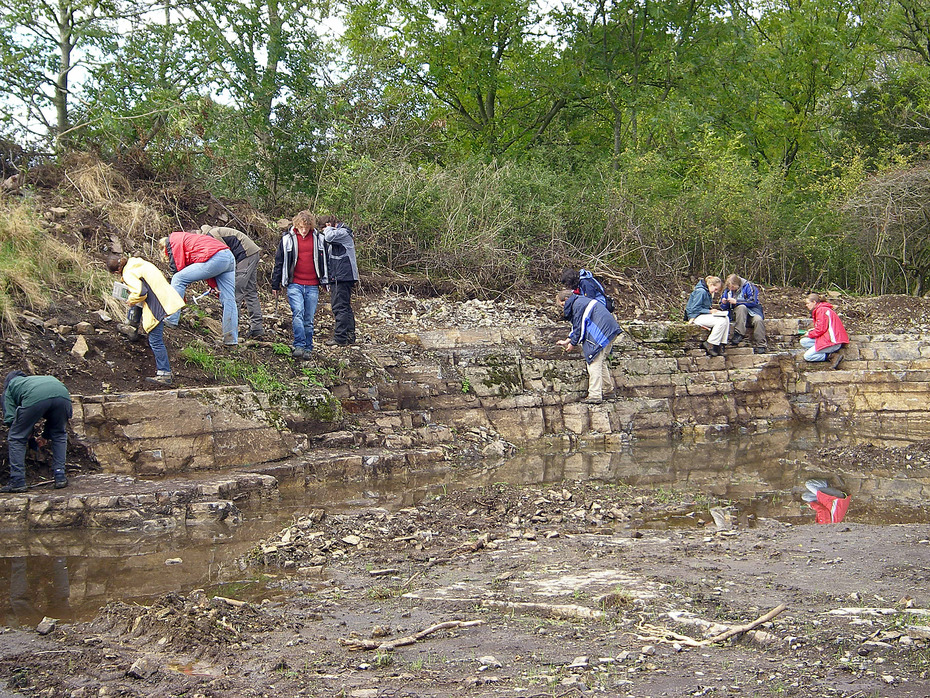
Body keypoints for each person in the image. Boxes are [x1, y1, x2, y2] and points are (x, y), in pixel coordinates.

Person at [107, 254, 186, 385]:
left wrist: (131, 300)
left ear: (117, 271)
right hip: (165, 298)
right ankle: (131, 326)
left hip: (157, 305)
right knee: (137, 304)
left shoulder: (128, 273)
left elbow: (141, 292)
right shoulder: (137, 262)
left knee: (155, 340)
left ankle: (164, 374)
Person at [160, 231, 239, 347]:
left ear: (164, 248)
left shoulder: (173, 241)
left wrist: (180, 298)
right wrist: (213, 285)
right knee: (229, 300)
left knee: (178, 278)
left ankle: (172, 319)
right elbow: (204, 261)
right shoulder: (187, 239)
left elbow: (177, 268)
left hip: (216, 257)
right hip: (228, 257)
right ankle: (231, 339)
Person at [2, 372, 71, 492]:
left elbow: (10, 418)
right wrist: (45, 436)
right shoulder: (33, 380)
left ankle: (18, 481)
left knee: (16, 437)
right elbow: (53, 411)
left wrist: (26, 434)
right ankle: (60, 476)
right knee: (59, 434)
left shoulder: (10, 387)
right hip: (62, 394)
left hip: (35, 397)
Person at [271, 210, 322, 359]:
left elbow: (325, 261)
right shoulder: (287, 239)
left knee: (309, 318)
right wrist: (276, 284)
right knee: (298, 313)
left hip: (313, 284)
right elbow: (279, 262)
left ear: (310, 226)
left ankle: (308, 347)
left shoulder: (318, 238)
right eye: (301, 227)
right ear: (296, 226)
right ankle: (299, 344)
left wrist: (326, 280)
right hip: (295, 283)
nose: (304, 230)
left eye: (306, 227)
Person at [555, 289, 621, 404]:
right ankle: (608, 390)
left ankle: (595, 395)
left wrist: (572, 344)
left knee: (593, 362)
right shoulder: (580, 301)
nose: (562, 308)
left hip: (601, 332)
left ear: (566, 299)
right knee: (600, 361)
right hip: (611, 330)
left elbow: (580, 327)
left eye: (562, 305)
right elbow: (577, 326)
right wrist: (568, 340)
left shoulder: (577, 305)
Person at [202, 224, 265, 339]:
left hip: (245, 255)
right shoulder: (216, 232)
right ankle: (257, 328)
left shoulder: (212, 235)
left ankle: (231, 331)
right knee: (250, 291)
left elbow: (225, 256)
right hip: (252, 253)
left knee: (235, 292)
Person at [316, 214, 359, 346]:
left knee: (339, 306)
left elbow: (328, 236)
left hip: (343, 275)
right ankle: (349, 336)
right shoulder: (339, 234)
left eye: (323, 228)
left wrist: (328, 228)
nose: (323, 231)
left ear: (328, 224)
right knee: (345, 306)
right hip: (341, 275)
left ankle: (340, 338)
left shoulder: (342, 232)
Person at [720, 273, 767, 353]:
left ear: (737, 284)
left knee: (758, 320)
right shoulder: (727, 290)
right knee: (741, 307)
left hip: (752, 312)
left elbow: (753, 301)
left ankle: (761, 345)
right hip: (737, 313)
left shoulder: (749, 286)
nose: (731, 289)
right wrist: (724, 303)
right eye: (729, 287)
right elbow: (723, 307)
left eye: (732, 287)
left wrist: (737, 301)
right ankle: (739, 333)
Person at [800, 293, 849, 368]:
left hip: (833, 342)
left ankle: (831, 356)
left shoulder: (821, 310)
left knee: (808, 356)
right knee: (804, 342)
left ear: (814, 302)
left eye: (808, 303)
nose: (806, 305)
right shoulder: (822, 309)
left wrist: (809, 334)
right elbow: (822, 327)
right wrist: (811, 332)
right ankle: (821, 350)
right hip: (829, 339)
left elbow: (820, 329)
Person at [685, 276, 729, 357]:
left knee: (726, 318)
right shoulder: (701, 292)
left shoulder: (707, 291)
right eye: (715, 289)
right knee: (721, 321)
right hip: (696, 317)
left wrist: (713, 311)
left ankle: (721, 344)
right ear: (711, 284)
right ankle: (710, 343)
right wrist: (710, 311)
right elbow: (694, 308)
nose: (715, 292)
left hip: (703, 315)